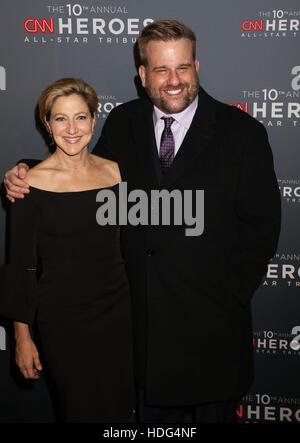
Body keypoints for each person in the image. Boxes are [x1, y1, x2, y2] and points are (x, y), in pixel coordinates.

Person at [4, 20, 281, 423]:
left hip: (211, 336)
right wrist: (26, 171)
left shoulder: (242, 134)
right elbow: (81, 172)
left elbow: (262, 227)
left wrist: (230, 295)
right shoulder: (124, 123)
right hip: (140, 338)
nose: (173, 81)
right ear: (142, 75)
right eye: (161, 70)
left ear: (197, 66)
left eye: (182, 68)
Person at [0, 78, 135, 422]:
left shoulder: (119, 175)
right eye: (60, 118)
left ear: (94, 118)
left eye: (80, 117)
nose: (71, 129)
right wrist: (21, 336)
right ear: (47, 124)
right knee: (79, 409)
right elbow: (20, 265)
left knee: (119, 410)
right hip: (62, 320)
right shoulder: (28, 184)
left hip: (120, 314)